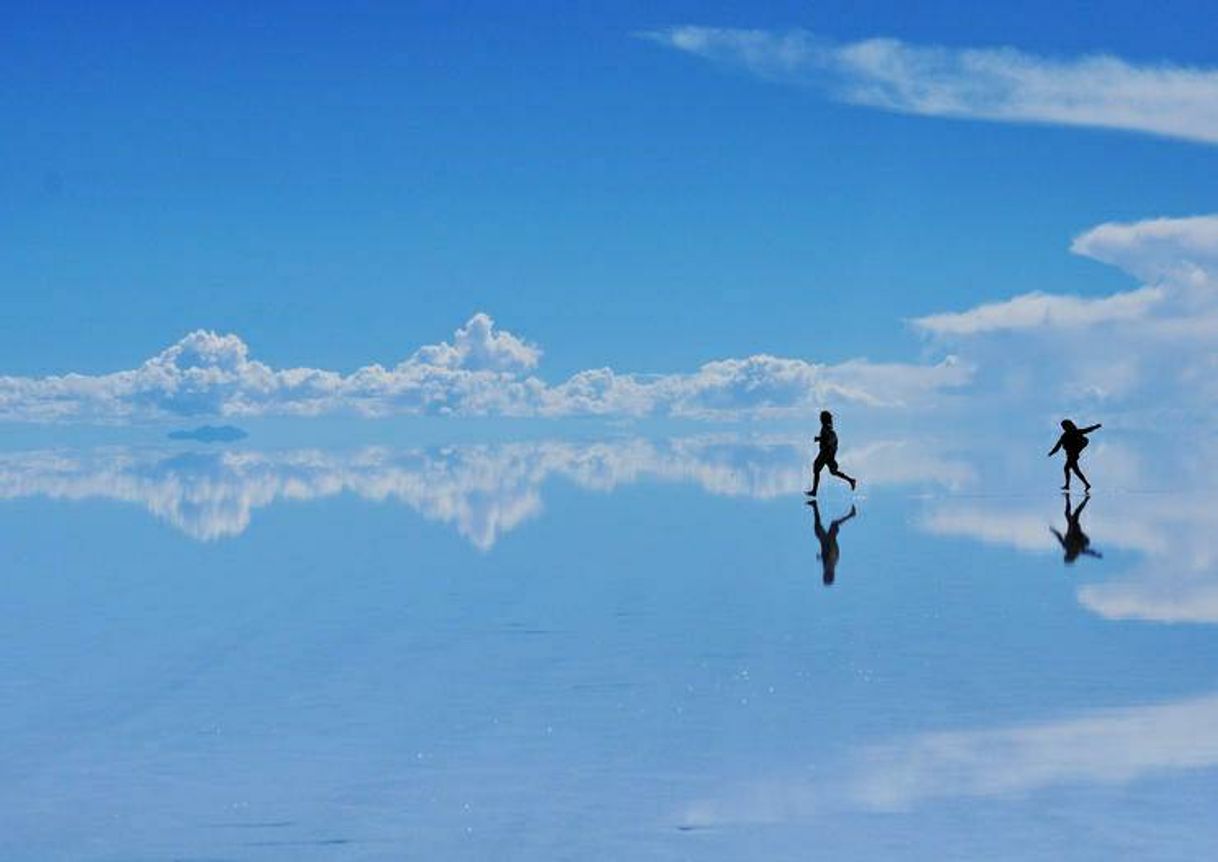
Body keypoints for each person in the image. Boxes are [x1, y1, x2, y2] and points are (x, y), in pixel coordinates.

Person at [806, 410, 856, 497]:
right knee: (833, 471)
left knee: (817, 468)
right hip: (828, 453)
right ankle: (851, 480)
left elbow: (830, 438)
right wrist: (820, 439)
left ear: (824, 419)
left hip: (826, 453)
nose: (820, 419)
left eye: (821, 418)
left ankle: (814, 491)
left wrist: (819, 439)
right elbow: (828, 438)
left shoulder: (827, 427)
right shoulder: (826, 427)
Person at [810, 500, 856, 585]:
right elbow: (833, 556)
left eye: (824, 576)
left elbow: (827, 559)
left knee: (817, 528)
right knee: (834, 524)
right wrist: (830, 544)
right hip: (829, 543)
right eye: (826, 576)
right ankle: (851, 515)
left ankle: (814, 505)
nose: (824, 574)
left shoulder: (828, 567)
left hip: (826, 543)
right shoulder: (831, 565)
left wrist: (820, 557)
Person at [1048, 419, 1102, 491]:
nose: (1064, 428)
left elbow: (1087, 430)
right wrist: (1052, 452)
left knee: (1067, 468)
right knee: (1075, 471)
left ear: (1069, 426)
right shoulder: (1064, 435)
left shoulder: (1076, 432)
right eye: (1063, 427)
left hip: (1073, 455)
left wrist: (1096, 426)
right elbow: (1058, 445)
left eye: (1065, 426)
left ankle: (1069, 485)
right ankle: (1086, 484)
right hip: (1069, 454)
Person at [1050, 492, 1102, 564]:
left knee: (1068, 514)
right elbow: (1088, 552)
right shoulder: (1077, 550)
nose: (1067, 553)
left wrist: (1054, 531)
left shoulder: (1067, 547)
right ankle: (1085, 499)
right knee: (1075, 515)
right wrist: (1096, 554)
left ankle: (1069, 498)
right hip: (1077, 534)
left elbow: (1060, 537)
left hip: (1073, 532)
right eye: (1067, 554)